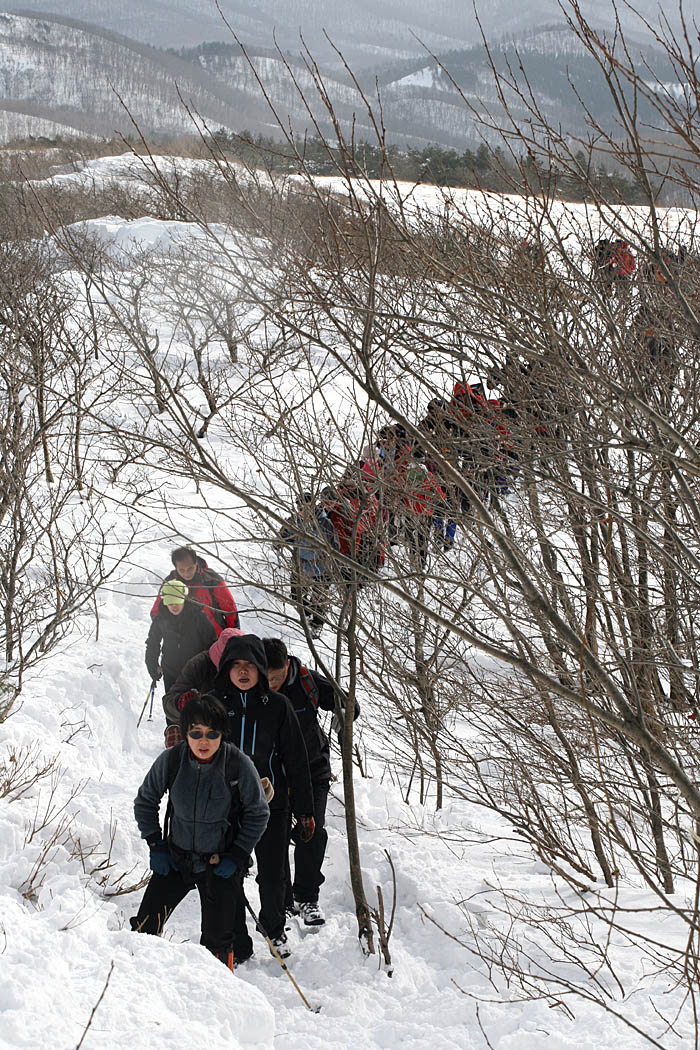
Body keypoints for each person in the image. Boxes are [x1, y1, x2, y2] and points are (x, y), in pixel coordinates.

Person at [166, 632, 315, 960]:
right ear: (226, 669)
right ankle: (238, 940)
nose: (243, 672)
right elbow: (192, 748)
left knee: (272, 872)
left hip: (271, 804)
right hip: (226, 807)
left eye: (250, 665)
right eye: (236, 666)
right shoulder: (214, 704)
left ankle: (275, 928)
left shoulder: (278, 706)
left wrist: (305, 810)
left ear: (261, 669)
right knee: (227, 873)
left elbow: (296, 759)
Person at [131, 694, 270, 970]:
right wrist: (156, 845)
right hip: (176, 859)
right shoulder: (172, 760)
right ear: (185, 733)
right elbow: (145, 801)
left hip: (219, 865)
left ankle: (217, 994)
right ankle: (136, 981)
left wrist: (238, 854)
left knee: (217, 947)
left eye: (211, 733)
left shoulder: (237, 764)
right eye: (195, 733)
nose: (203, 741)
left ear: (222, 734)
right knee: (144, 929)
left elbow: (258, 812)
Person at [263, 637, 358, 927]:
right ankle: (283, 899)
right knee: (275, 837)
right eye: (267, 678)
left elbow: (346, 703)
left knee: (312, 832)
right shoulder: (253, 688)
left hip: (312, 768)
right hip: (274, 774)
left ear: (286, 668)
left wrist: (345, 716)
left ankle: (307, 897)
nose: (271, 684)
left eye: (276, 678)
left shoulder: (307, 681)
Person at [278, 492, 339, 638]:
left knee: (319, 600)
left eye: (304, 507)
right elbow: (284, 535)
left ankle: (317, 624)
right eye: (298, 508)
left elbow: (334, 545)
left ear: (312, 506)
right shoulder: (294, 520)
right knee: (296, 595)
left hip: (322, 567)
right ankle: (306, 614)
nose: (301, 511)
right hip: (301, 565)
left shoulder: (324, 523)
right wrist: (279, 541)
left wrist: (333, 562)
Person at [145, 579, 217, 691]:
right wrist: (152, 665)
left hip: (197, 673)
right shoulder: (161, 619)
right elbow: (153, 643)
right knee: (172, 706)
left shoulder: (198, 617)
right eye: (170, 603)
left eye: (177, 602)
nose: (174, 606)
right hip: (171, 673)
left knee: (195, 707)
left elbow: (212, 644)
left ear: (184, 599)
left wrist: (209, 670)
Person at [151, 546, 239, 636]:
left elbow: (229, 608)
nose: (186, 573)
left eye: (190, 568)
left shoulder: (211, 579)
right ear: (176, 567)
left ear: (196, 563)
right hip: (184, 640)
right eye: (182, 570)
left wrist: (232, 636)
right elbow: (157, 612)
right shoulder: (170, 583)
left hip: (214, 636)